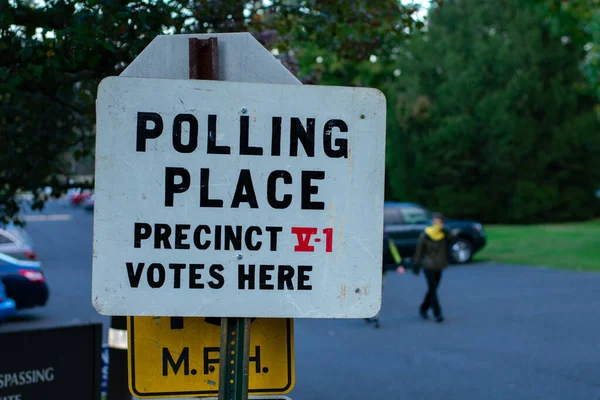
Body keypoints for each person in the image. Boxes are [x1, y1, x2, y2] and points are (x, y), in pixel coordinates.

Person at [412, 213, 452, 323]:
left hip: (439, 265)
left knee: (433, 289)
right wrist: (416, 265)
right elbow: (419, 251)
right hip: (428, 265)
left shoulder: (444, 235)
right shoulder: (425, 235)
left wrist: (445, 230)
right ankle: (437, 313)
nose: (436, 224)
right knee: (433, 290)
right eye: (435, 221)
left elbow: (452, 238)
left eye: (439, 222)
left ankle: (423, 308)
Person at [365, 230, 403, 328]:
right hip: (369, 270)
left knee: (378, 292)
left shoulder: (387, 240)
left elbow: (394, 252)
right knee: (370, 291)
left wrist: (399, 264)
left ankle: (375, 316)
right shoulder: (369, 239)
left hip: (381, 270)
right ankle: (368, 310)